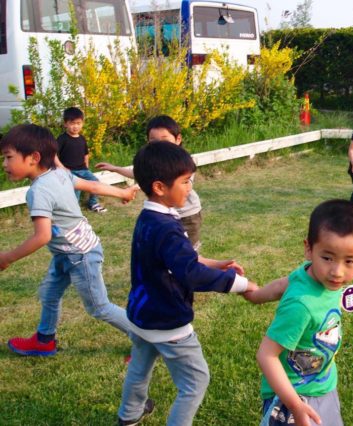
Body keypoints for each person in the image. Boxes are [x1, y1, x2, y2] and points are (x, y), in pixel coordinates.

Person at [117, 141, 258, 426]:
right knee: (195, 381)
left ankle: (129, 415)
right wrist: (239, 284)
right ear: (159, 187)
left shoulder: (150, 218)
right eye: (185, 181)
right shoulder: (167, 228)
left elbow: (179, 259)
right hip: (168, 320)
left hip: (142, 315)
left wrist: (216, 264)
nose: (190, 188)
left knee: (140, 367)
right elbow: (190, 273)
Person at [0, 124, 138, 356]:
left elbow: (42, 236)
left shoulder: (38, 191)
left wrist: (7, 258)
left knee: (99, 306)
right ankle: (44, 340)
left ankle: (146, 340)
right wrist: (122, 192)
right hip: (67, 253)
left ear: (34, 157)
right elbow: (92, 185)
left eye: (8, 157)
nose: (4, 164)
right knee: (49, 294)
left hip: (80, 255)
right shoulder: (59, 173)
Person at [244, 199, 353, 426]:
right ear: (309, 249)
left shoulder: (313, 274)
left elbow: (284, 283)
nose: (337, 271)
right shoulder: (301, 305)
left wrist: (256, 295)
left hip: (323, 384)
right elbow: (266, 355)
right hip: (293, 395)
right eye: (327, 258)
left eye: (349, 260)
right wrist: (295, 405)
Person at [96, 115, 204, 250]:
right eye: (154, 141)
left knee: (188, 250)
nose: (160, 145)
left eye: (165, 140)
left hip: (187, 215)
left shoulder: (184, 162)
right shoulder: (154, 162)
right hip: (165, 214)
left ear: (178, 139)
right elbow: (141, 174)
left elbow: (172, 183)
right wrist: (116, 169)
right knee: (167, 250)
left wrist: (136, 187)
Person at [56, 107, 107, 213]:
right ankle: (74, 210)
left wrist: (86, 166)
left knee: (96, 183)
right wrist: (61, 168)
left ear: (82, 123)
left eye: (78, 123)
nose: (75, 126)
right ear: (65, 124)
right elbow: (53, 155)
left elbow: (85, 154)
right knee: (76, 190)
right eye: (72, 123)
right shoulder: (62, 139)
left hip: (83, 170)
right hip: (69, 171)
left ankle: (93, 203)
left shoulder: (82, 138)